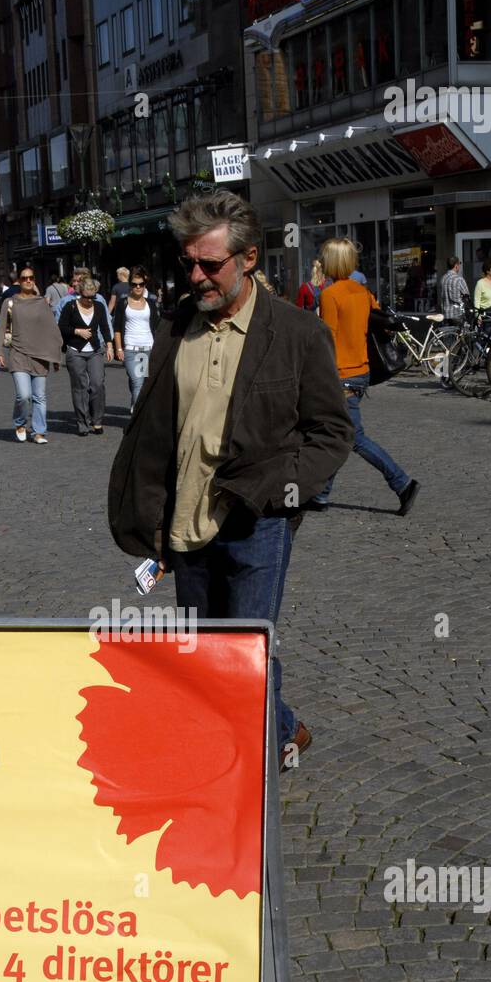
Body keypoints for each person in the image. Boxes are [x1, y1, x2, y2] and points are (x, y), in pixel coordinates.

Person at [108, 190, 356, 769]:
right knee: (206, 653)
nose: (196, 276)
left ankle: (250, 776)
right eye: (188, 262)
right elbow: (159, 430)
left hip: (257, 521)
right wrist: (150, 515)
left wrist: (278, 489)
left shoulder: (296, 333)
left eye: (210, 264)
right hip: (185, 521)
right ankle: (286, 727)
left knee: (247, 651)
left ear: (248, 259)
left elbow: (331, 433)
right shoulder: (176, 328)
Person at [313, 237, 419, 516]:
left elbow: (329, 342)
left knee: (352, 437)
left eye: (324, 257)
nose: (321, 262)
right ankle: (321, 495)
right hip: (361, 372)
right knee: (339, 433)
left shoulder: (329, 295)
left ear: (332, 261)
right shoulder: (362, 292)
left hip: (341, 375)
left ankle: (402, 483)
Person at [0, 267, 64, 443]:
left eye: (31, 278)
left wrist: (56, 355)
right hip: (18, 354)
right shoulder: (10, 303)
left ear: (34, 280)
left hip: (40, 356)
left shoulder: (41, 303)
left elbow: (52, 329)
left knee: (39, 396)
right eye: (24, 278)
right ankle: (20, 422)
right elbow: (2, 328)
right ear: (19, 281)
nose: (28, 280)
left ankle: (39, 432)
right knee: (24, 395)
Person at [58, 275, 113, 435]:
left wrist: (109, 346)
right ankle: (82, 422)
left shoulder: (99, 306)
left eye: (92, 297)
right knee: (80, 387)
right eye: (86, 297)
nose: (89, 300)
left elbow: (104, 327)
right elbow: (61, 327)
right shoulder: (70, 306)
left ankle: (97, 420)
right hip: (75, 351)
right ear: (80, 294)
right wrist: (77, 331)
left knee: (97, 384)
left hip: (95, 350)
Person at [113, 266, 160, 409]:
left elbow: (156, 326)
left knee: (140, 383)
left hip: (148, 348)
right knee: (137, 382)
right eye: (134, 284)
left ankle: (136, 407)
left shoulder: (150, 303)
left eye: (141, 284)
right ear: (130, 286)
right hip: (131, 349)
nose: (138, 287)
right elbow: (117, 329)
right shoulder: (123, 303)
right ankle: (137, 417)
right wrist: (119, 348)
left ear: (144, 285)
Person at [55, 268, 114, 337]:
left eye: (79, 281)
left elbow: (107, 321)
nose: (74, 284)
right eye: (74, 281)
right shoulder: (65, 301)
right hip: (74, 344)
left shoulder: (98, 299)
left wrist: (109, 341)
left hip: (98, 343)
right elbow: (59, 324)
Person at [440, 256, 470, 321]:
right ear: (456, 266)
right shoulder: (459, 279)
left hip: (445, 314)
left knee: (447, 331)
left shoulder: (443, 278)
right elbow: (467, 296)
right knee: (460, 331)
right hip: (457, 313)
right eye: (459, 264)